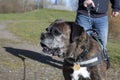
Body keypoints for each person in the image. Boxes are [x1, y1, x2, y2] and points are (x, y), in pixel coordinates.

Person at [75, 0, 120, 69]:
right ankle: (77, 67)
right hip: (84, 14)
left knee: (102, 45)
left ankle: (101, 67)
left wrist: (116, 7)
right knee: (80, 42)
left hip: (102, 18)